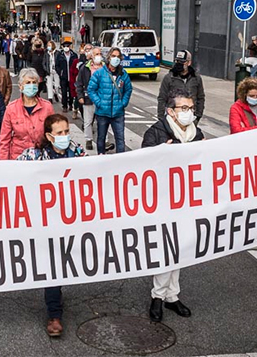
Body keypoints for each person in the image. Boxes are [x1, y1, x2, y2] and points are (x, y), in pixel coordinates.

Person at [15, 113, 86, 336]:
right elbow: (9, 175)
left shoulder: (78, 153)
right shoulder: (33, 156)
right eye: (59, 133)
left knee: (67, 263)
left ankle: (56, 297)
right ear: (49, 135)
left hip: (72, 219)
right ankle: (54, 314)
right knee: (53, 266)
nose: (65, 136)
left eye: (67, 132)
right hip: (46, 222)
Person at [143, 89, 205, 323]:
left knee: (180, 248)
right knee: (165, 249)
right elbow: (143, 167)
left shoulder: (196, 134)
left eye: (191, 108)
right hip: (163, 201)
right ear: (170, 111)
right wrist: (161, 154)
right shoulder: (156, 133)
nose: (189, 113)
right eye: (184, 108)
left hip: (187, 200)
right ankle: (158, 297)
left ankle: (172, 296)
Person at [0, 68, 54, 160]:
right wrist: (4, 163)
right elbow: (4, 139)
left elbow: (54, 133)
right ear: (20, 86)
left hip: (42, 157)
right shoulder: (11, 109)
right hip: (19, 157)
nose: (31, 85)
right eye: (28, 83)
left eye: (34, 82)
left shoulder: (47, 107)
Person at [88, 46, 132, 154]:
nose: (115, 59)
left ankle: (120, 160)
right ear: (108, 57)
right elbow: (91, 89)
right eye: (113, 56)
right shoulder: (100, 73)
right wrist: (99, 103)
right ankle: (101, 158)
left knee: (120, 140)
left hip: (118, 113)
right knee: (101, 138)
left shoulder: (123, 74)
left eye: (117, 56)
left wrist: (123, 103)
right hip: (102, 112)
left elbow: (128, 89)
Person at [157, 50, 206, 124]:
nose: (179, 64)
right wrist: (161, 118)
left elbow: (200, 98)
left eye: (182, 62)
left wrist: (198, 116)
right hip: (173, 117)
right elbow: (162, 98)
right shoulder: (169, 77)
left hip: (190, 117)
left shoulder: (196, 78)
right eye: (177, 61)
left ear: (189, 63)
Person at [55, 41, 77, 113]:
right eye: (64, 46)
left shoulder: (74, 55)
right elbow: (57, 65)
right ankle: (64, 106)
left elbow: (77, 65)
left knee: (71, 91)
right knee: (64, 91)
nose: (66, 48)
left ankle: (70, 104)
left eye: (67, 46)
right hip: (63, 76)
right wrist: (60, 73)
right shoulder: (60, 55)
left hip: (71, 77)